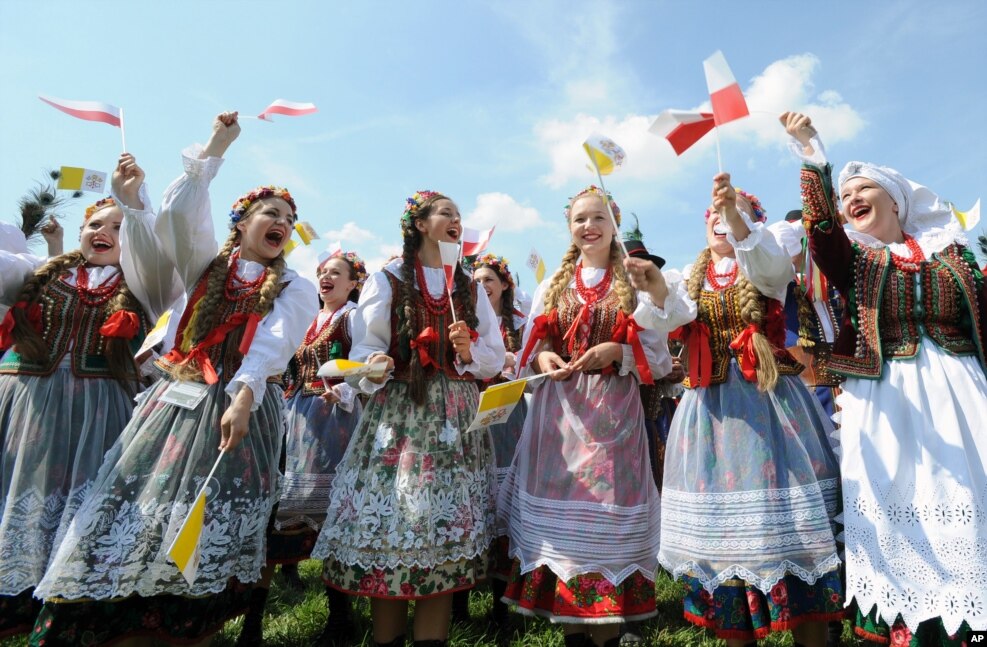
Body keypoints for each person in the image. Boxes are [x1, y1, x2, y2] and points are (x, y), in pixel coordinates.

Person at [31, 111, 317, 646]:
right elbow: (183, 218)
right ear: (242, 223)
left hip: (242, 411)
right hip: (176, 406)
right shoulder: (205, 264)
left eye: (287, 215)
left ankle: (192, 630)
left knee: (206, 532)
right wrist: (213, 150)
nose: (280, 219)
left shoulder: (296, 285)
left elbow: (274, 343)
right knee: (142, 510)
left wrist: (245, 394)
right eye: (268, 211)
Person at [782, 110, 987, 646]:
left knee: (969, 494)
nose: (853, 199)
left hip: (962, 392)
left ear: (895, 201)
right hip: (887, 396)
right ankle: (912, 618)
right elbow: (823, 234)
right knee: (903, 500)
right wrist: (812, 154)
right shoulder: (858, 263)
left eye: (863, 188)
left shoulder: (955, 255)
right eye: (846, 195)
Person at [629, 175, 843, 647]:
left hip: (769, 407)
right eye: (714, 215)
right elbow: (672, 317)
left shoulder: (765, 265)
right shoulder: (691, 275)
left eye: (735, 214)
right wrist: (654, 288)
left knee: (789, 529)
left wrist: (736, 216)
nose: (720, 221)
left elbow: (765, 264)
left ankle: (815, 632)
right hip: (709, 413)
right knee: (724, 536)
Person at [311, 190, 505, 647]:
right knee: (396, 531)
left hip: (454, 417)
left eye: (459, 214)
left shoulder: (468, 287)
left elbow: (493, 357)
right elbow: (362, 350)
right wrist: (374, 362)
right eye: (446, 213)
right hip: (400, 413)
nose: (456, 220)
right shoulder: (389, 279)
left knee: (438, 536)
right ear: (419, 224)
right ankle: (387, 638)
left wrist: (469, 352)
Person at [497, 186, 669, 647]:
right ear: (569, 228)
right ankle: (574, 634)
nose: (588, 226)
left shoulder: (631, 279)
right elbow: (532, 349)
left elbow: (661, 356)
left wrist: (619, 350)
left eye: (598, 218)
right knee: (565, 533)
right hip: (560, 413)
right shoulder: (557, 281)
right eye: (579, 220)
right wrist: (544, 360)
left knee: (606, 523)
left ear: (614, 224)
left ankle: (610, 634)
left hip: (613, 413)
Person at [0, 158, 163, 640]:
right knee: (15, 495)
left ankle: (61, 612)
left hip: (98, 412)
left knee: (78, 505)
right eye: (95, 223)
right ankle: (13, 597)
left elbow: (159, 251)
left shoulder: (141, 287)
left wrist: (133, 202)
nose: (105, 230)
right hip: (26, 406)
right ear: (79, 232)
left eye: (118, 226)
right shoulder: (38, 275)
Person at [236, 249, 368, 647]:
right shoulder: (304, 317)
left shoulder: (352, 317)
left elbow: (365, 366)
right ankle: (252, 624)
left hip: (336, 421)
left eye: (336, 274)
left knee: (329, 513)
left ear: (353, 283)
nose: (326, 278)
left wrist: (344, 390)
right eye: (323, 272)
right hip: (292, 416)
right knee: (279, 513)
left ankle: (340, 619)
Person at [450, 253, 528, 628]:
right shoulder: (462, 320)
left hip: (509, 416)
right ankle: (460, 602)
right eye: (476, 280)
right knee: (469, 502)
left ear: (504, 285)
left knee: (503, 506)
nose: (481, 286)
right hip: (469, 415)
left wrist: (514, 362)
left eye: (488, 280)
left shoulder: (519, 322)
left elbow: (532, 364)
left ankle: (502, 605)